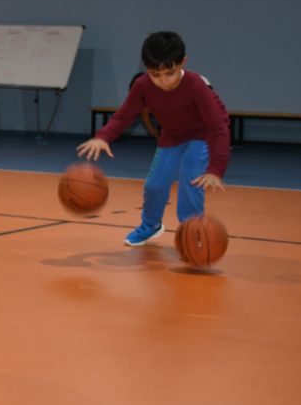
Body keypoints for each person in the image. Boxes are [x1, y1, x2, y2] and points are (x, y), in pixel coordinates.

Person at [77, 31, 228, 246]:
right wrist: (103, 137)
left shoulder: (195, 85)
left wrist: (216, 168)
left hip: (202, 133)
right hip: (172, 134)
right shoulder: (142, 85)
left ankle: (191, 230)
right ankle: (151, 226)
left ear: (182, 62)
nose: (163, 81)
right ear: (146, 68)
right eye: (155, 74)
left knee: (190, 177)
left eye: (170, 73)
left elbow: (218, 127)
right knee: (154, 185)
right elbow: (123, 116)